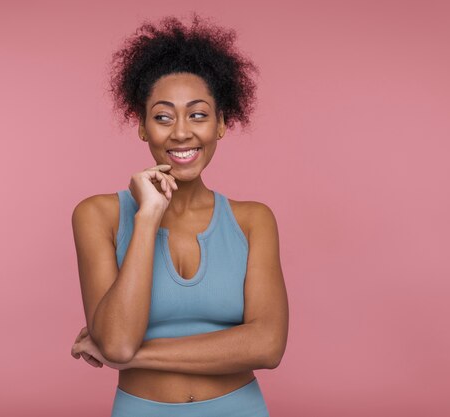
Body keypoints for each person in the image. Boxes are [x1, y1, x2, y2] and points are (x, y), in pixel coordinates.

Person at [70, 13, 288, 417]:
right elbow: (116, 342)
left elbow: (268, 346)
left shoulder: (253, 221)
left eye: (199, 115)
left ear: (222, 124)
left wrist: (135, 357)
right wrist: (148, 217)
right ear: (142, 127)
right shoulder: (99, 216)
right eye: (164, 117)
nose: (182, 132)